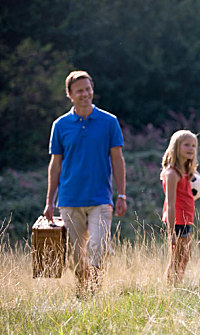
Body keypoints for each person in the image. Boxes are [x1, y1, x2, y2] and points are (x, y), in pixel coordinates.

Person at [43, 70, 127, 296]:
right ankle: (83, 293)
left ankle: (94, 292)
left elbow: (118, 160)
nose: (85, 94)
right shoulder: (60, 125)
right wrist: (50, 201)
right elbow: (55, 164)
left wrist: (121, 195)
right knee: (75, 255)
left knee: (98, 248)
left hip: (101, 198)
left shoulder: (109, 122)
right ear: (69, 95)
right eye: (79, 91)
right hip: (69, 199)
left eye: (88, 89)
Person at [161, 130, 200, 285]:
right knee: (176, 256)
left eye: (194, 146)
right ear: (176, 147)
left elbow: (199, 179)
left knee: (185, 254)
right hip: (176, 220)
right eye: (187, 145)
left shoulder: (187, 169)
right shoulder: (172, 173)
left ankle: (177, 282)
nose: (191, 148)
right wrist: (171, 233)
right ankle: (171, 286)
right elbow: (170, 204)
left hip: (186, 218)